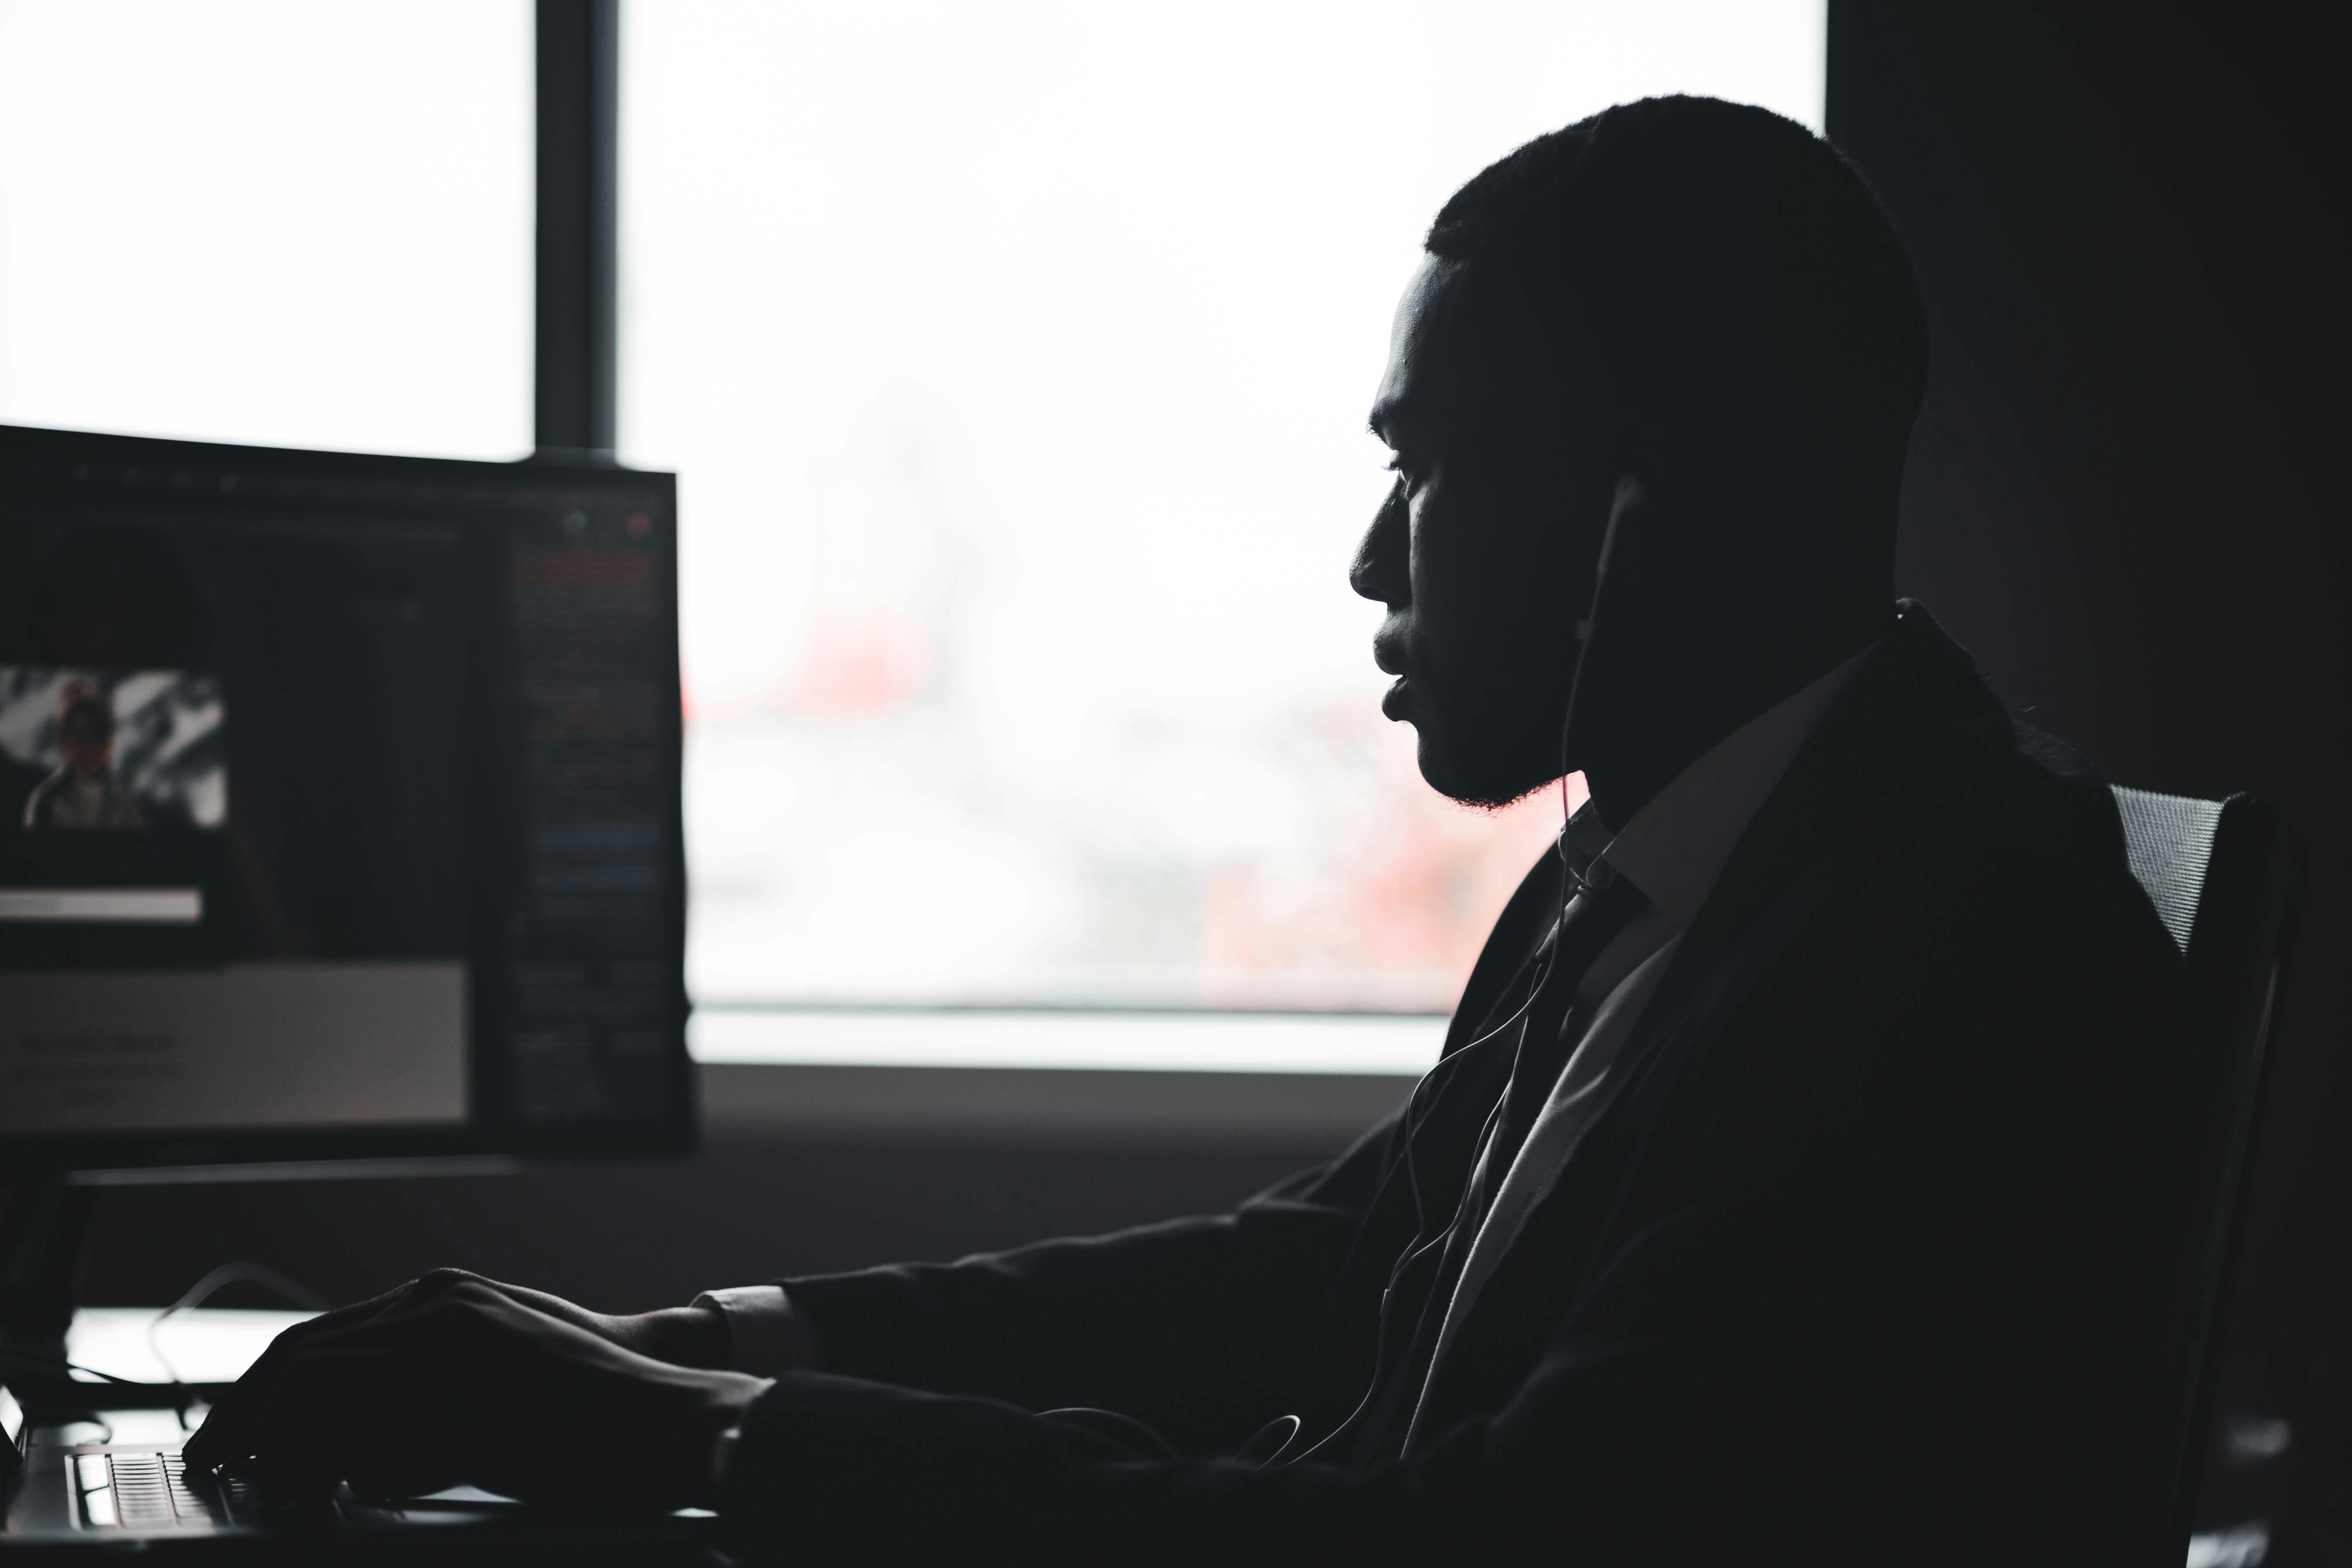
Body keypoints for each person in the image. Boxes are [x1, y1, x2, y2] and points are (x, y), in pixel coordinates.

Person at [184, 96, 2196, 1563]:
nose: (1362, 559)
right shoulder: (1688, 865)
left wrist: (692, 1432)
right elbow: (1315, 1273)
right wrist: (680, 1345)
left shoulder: (1940, 950)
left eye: (1425, 469)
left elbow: (1479, 1543)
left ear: (1636, 520)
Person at [22, 683, 146, 830]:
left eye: (98, 736)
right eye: (82, 737)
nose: (91, 747)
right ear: (65, 743)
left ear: (110, 744)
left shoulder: (124, 805)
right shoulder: (47, 801)